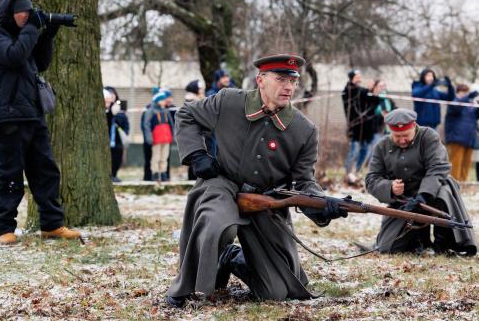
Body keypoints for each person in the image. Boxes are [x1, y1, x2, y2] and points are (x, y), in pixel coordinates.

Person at [165, 54, 346, 308]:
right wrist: (196, 154)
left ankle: (231, 257)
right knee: (217, 223)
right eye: (281, 79)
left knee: (276, 291)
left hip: (267, 201)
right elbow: (186, 114)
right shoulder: (229, 101)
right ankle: (184, 287)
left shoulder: (304, 131)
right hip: (222, 184)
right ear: (260, 80)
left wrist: (322, 205)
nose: (289, 87)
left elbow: (304, 182)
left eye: (293, 80)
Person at [0, 0, 80, 244]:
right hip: (7, 116)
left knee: (46, 171)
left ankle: (52, 225)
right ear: (10, 11)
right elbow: (13, 56)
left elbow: (39, 62)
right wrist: (34, 26)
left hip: (33, 114)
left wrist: (49, 33)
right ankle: (4, 229)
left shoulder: (26, 33)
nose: (26, 16)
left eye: (29, 12)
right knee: (9, 173)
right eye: (22, 12)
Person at [365, 109, 477, 255]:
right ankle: (417, 240)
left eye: (405, 135)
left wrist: (424, 194)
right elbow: (371, 178)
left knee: (444, 193)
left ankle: (444, 243)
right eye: (397, 136)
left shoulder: (428, 136)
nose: (402, 140)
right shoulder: (382, 146)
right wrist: (389, 188)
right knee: (389, 248)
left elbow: (438, 166)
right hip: (404, 201)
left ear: (414, 126)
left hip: (433, 192)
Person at [341, 69, 379, 183]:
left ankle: (356, 172)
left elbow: (372, 99)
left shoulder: (361, 91)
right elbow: (353, 93)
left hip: (366, 128)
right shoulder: (349, 90)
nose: (360, 78)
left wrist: (373, 91)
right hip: (355, 127)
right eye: (357, 76)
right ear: (352, 78)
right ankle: (347, 173)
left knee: (365, 151)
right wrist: (368, 89)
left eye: (360, 76)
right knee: (354, 150)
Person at [443, 84, 479, 182]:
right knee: (456, 162)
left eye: (467, 92)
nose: (465, 94)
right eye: (463, 92)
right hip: (456, 137)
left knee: (467, 162)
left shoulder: (470, 103)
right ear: (458, 92)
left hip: (470, 137)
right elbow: (457, 109)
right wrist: (468, 97)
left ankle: (463, 182)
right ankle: (453, 182)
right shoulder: (454, 102)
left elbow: (478, 116)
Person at [143, 91, 174, 183]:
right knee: (156, 156)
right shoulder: (150, 111)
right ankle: (155, 173)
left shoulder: (166, 111)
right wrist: (148, 137)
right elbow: (146, 125)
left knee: (164, 156)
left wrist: (173, 135)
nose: (165, 101)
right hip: (156, 138)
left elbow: (171, 124)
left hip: (166, 137)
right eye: (163, 99)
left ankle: (163, 172)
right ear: (158, 100)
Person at [364, 79, 396, 166]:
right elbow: (368, 113)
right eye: (380, 86)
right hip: (376, 129)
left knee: (388, 152)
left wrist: (391, 114)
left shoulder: (388, 99)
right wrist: (380, 114)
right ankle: (370, 171)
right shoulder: (372, 98)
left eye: (384, 86)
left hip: (389, 130)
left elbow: (395, 109)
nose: (383, 88)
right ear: (376, 87)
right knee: (374, 151)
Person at [104, 86, 130, 182]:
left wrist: (126, 133)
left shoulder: (119, 106)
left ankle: (114, 174)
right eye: (110, 94)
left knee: (118, 156)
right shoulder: (106, 108)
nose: (112, 96)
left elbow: (125, 122)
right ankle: (108, 175)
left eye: (113, 93)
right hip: (107, 137)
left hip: (118, 137)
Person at [140, 86, 160, 181]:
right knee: (149, 159)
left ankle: (157, 177)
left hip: (158, 138)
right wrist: (148, 138)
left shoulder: (162, 108)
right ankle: (148, 178)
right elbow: (144, 125)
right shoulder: (149, 108)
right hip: (150, 138)